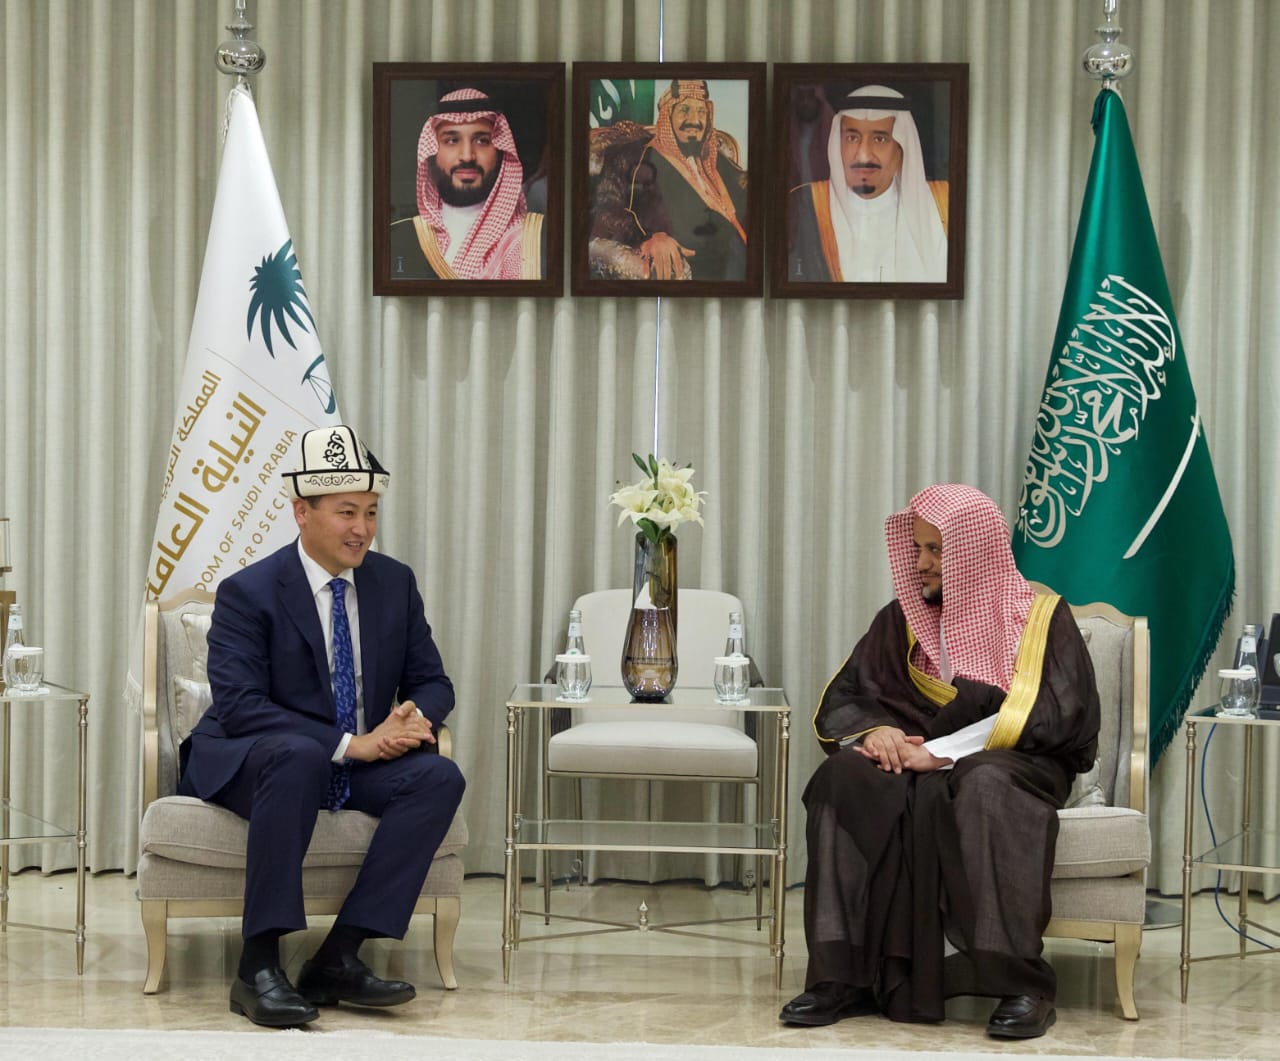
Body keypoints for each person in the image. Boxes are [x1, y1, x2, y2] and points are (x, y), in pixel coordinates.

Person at [780, 484, 1099, 1039]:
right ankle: (843, 977)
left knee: (983, 784)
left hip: (1018, 760)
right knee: (843, 776)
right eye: (918, 549)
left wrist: (941, 752)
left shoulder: (1040, 620)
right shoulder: (900, 621)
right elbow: (853, 694)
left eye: (935, 550)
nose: (920, 563)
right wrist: (878, 732)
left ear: (973, 551)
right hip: (915, 756)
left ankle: (1019, 984)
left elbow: (1055, 715)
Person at [179, 425, 464, 1027]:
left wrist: (412, 717)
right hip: (254, 758)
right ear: (302, 513)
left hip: (352, 759)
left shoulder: (394, 583)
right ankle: (257, 966)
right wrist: (352, 743)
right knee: (298, 755)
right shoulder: (248, 591)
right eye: (346, 512)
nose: (362, 528)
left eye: (370, 512)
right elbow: (240, 705)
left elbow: (434, 682)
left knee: (439, 777)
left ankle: (338, 957)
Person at [589, 78, 748, 281]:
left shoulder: (716, 159)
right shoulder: (634, 155)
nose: (694, 120)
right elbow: (606, 210)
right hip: (701, 266)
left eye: (701, 111)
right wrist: (650, 238)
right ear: (668, 114)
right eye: (684, 110)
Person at [787, 85, 948, 283]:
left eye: (879, 139)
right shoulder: (805, 205)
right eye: (852, 138)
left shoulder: (941, 207)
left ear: (901, 148)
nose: (863, 154)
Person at [390, 87, 545, 280]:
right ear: (431, 152)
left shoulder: (537, 237)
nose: (467, 156)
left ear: (500, 151)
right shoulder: (400, 237)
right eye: (452, 140)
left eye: (482, 141)